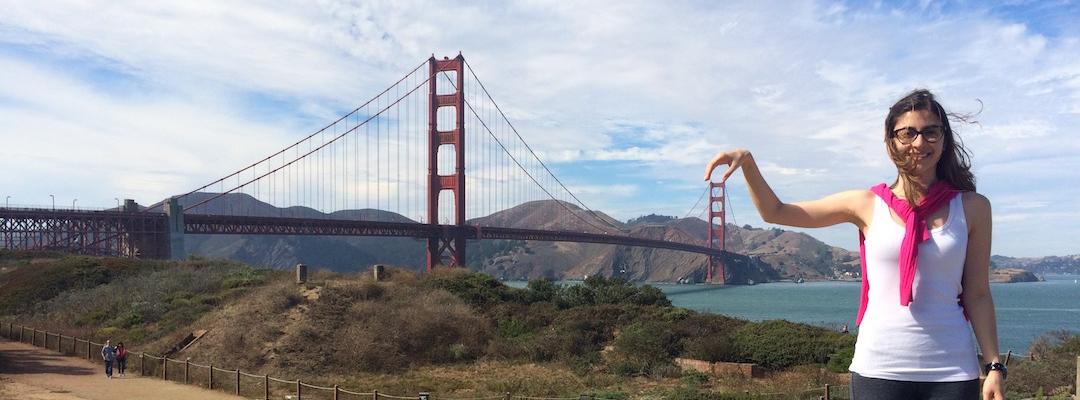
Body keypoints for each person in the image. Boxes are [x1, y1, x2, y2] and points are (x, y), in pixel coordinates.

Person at [703, 89, 1004, 400]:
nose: (919, 142)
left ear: (944, 139)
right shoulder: (865, 204)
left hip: (952, 371)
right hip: (879, 368)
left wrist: (994, 366)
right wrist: (748, 164)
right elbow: (776, 212)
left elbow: (978, 294)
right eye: (908, 133)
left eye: (930, 132)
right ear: (891, 142)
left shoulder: (973, 208)